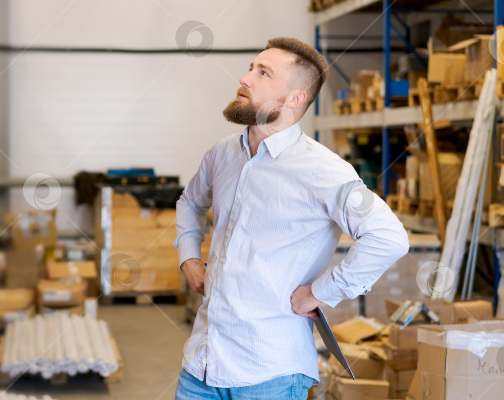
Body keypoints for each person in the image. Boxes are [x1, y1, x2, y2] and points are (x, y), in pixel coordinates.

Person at [174, 37, 409, 400]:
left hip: (270, 372)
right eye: (252, 67)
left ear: (295, 98)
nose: (245, 78)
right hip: (202, 363)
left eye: (263, 73)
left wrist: (320, 292)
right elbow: (190, 202)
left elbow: (389, 237)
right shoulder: (222, 155)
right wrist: (189, 257)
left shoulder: (324, 170)